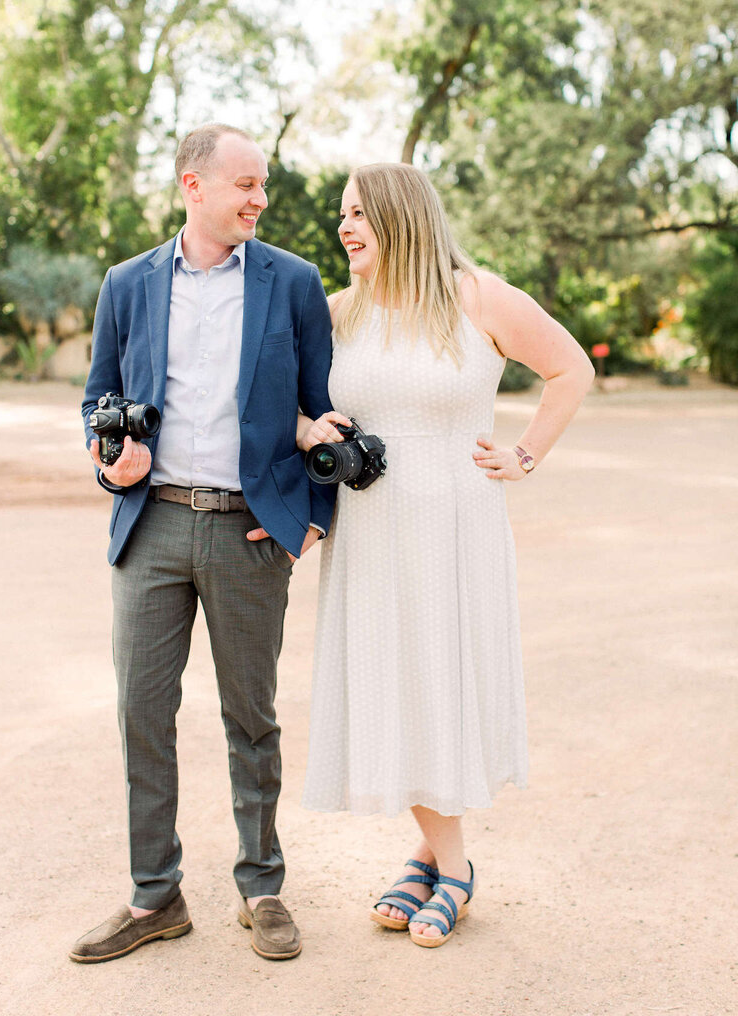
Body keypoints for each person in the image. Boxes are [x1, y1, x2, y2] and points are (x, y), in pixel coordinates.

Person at [297, 162, 594, 948]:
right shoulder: (335, 313)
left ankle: (452, 869)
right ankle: (433, 855)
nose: (344, 227)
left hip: (458, 528)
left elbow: (572, 368)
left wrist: (526, 454)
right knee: (400, 685)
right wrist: (307, 431)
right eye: (342, 216)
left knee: (442, 682)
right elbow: (291, 406)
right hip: (371, 532)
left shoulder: (480, 297)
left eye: (358, 213)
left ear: (400, 216)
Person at [71, 123, 336, 964]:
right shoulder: (128, 283)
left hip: (250, 533)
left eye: (264, 186)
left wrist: (312, 519)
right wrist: (112, 463)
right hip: (150, 527)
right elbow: (96, 401)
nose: (260, 198)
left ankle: (262, 885)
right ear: (193, 185)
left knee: (249, 717)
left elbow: (325, 413)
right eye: (246, 184)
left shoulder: (294, 283)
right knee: (141, 713)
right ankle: (156, 896)